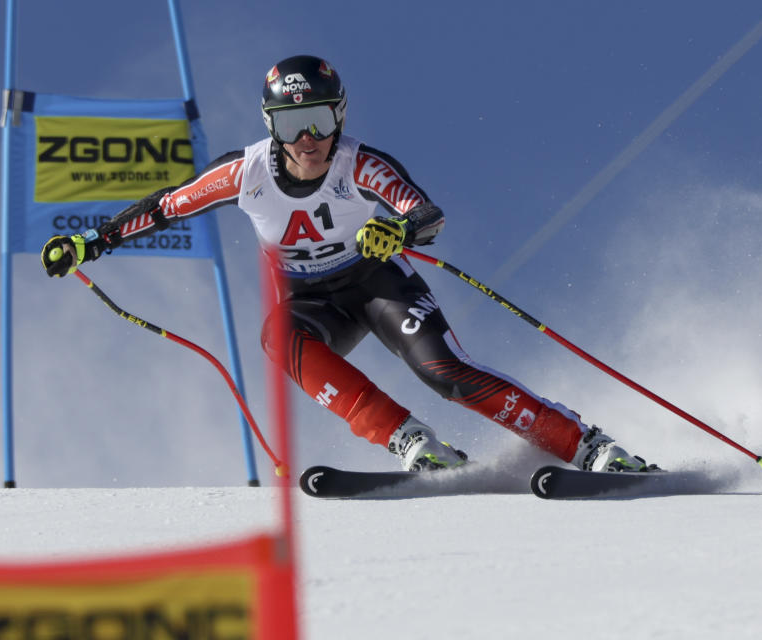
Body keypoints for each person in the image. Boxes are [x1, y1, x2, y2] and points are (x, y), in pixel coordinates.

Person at [42, 54, 653, 473]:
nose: (308, 139)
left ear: (339, 117)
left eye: (320, 121)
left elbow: (427, 213)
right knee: (277, 336)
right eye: (291, 124)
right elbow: (166, 206)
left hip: (376, 283)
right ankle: (409, 440)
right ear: (271, 127)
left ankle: (587, 445)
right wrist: (91, 243)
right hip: (314, 300)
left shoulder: (361, 165)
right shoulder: (245, 172)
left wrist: (398, 228)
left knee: (445, 373)